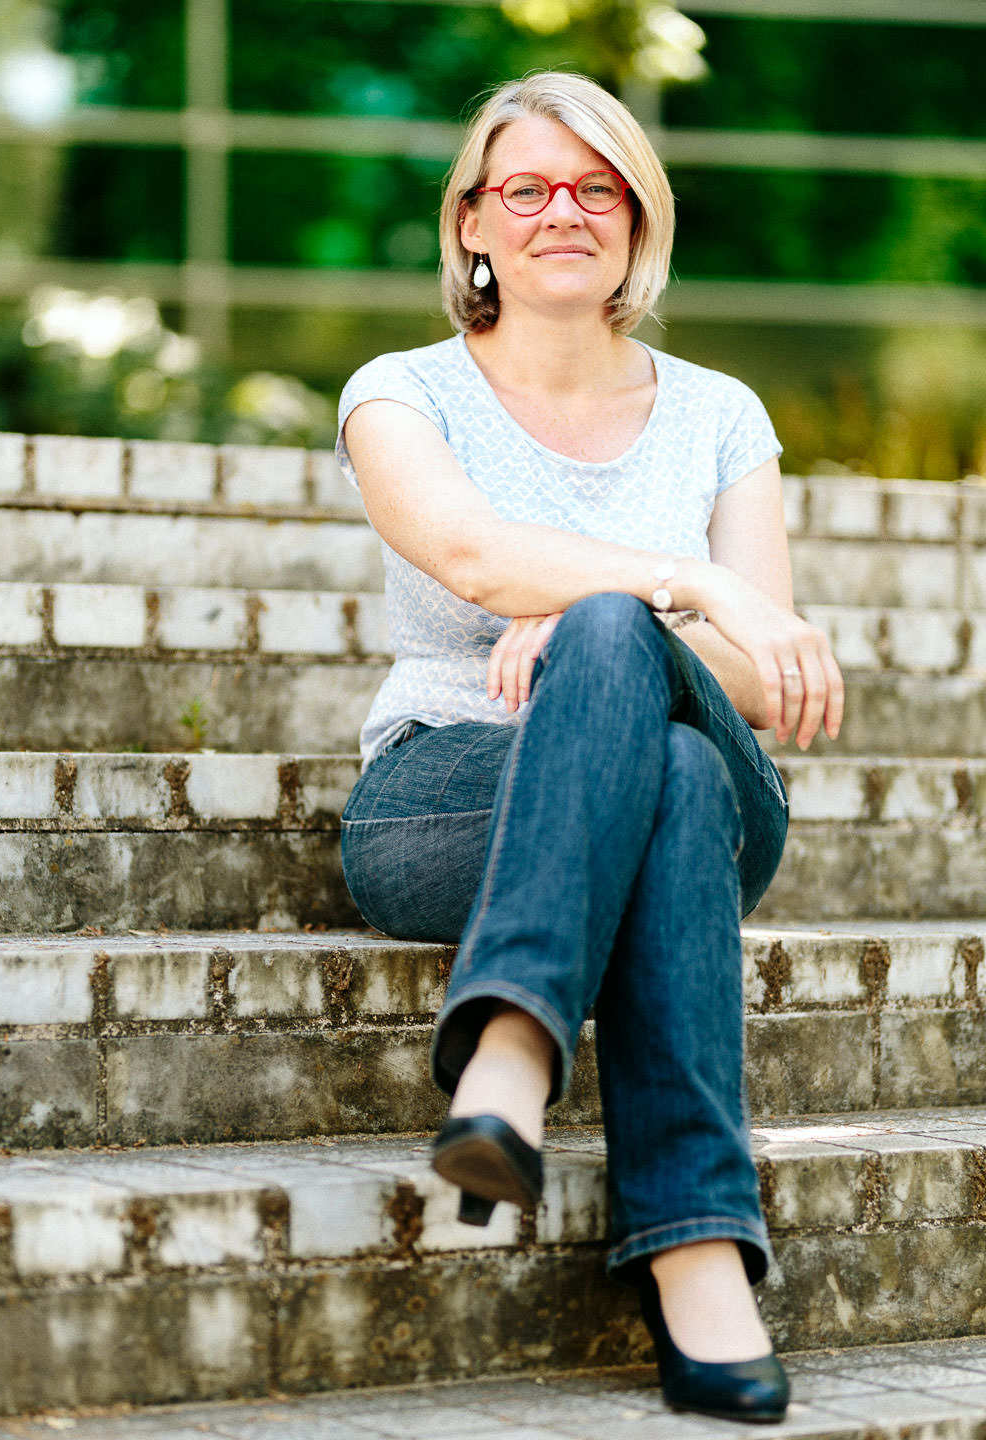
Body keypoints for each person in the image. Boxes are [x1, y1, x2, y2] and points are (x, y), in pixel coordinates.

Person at [335, 71, 843, 1425]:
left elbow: (761, 676)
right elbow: (462, 549)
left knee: (629, 658)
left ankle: (511, 1049)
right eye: (527, 188)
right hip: (447, 792)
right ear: (473, 228)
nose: (564, 209)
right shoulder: (401, 393)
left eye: (597, 187)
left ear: (635, 220)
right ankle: (697, 1253)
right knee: (663, 772)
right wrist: (688, 581)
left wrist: (610, 610)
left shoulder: (721, 413)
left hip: (724, 778)